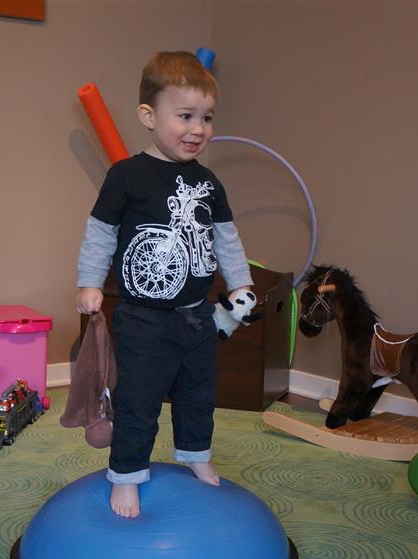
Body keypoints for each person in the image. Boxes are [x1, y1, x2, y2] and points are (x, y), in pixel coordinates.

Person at [75, 51, 254, 518]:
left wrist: (240, 285)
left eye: (207, 118)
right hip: (143, 319)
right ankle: (127, 474)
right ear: (149, 116)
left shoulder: (209, 182)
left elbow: (226, 238)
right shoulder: (126, 176)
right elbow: (101, 232)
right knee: (139, 400)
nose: (198, 129)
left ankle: (195, 454)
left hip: (197, 315)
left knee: (198, 395)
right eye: (185, 116)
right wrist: (89, 281)